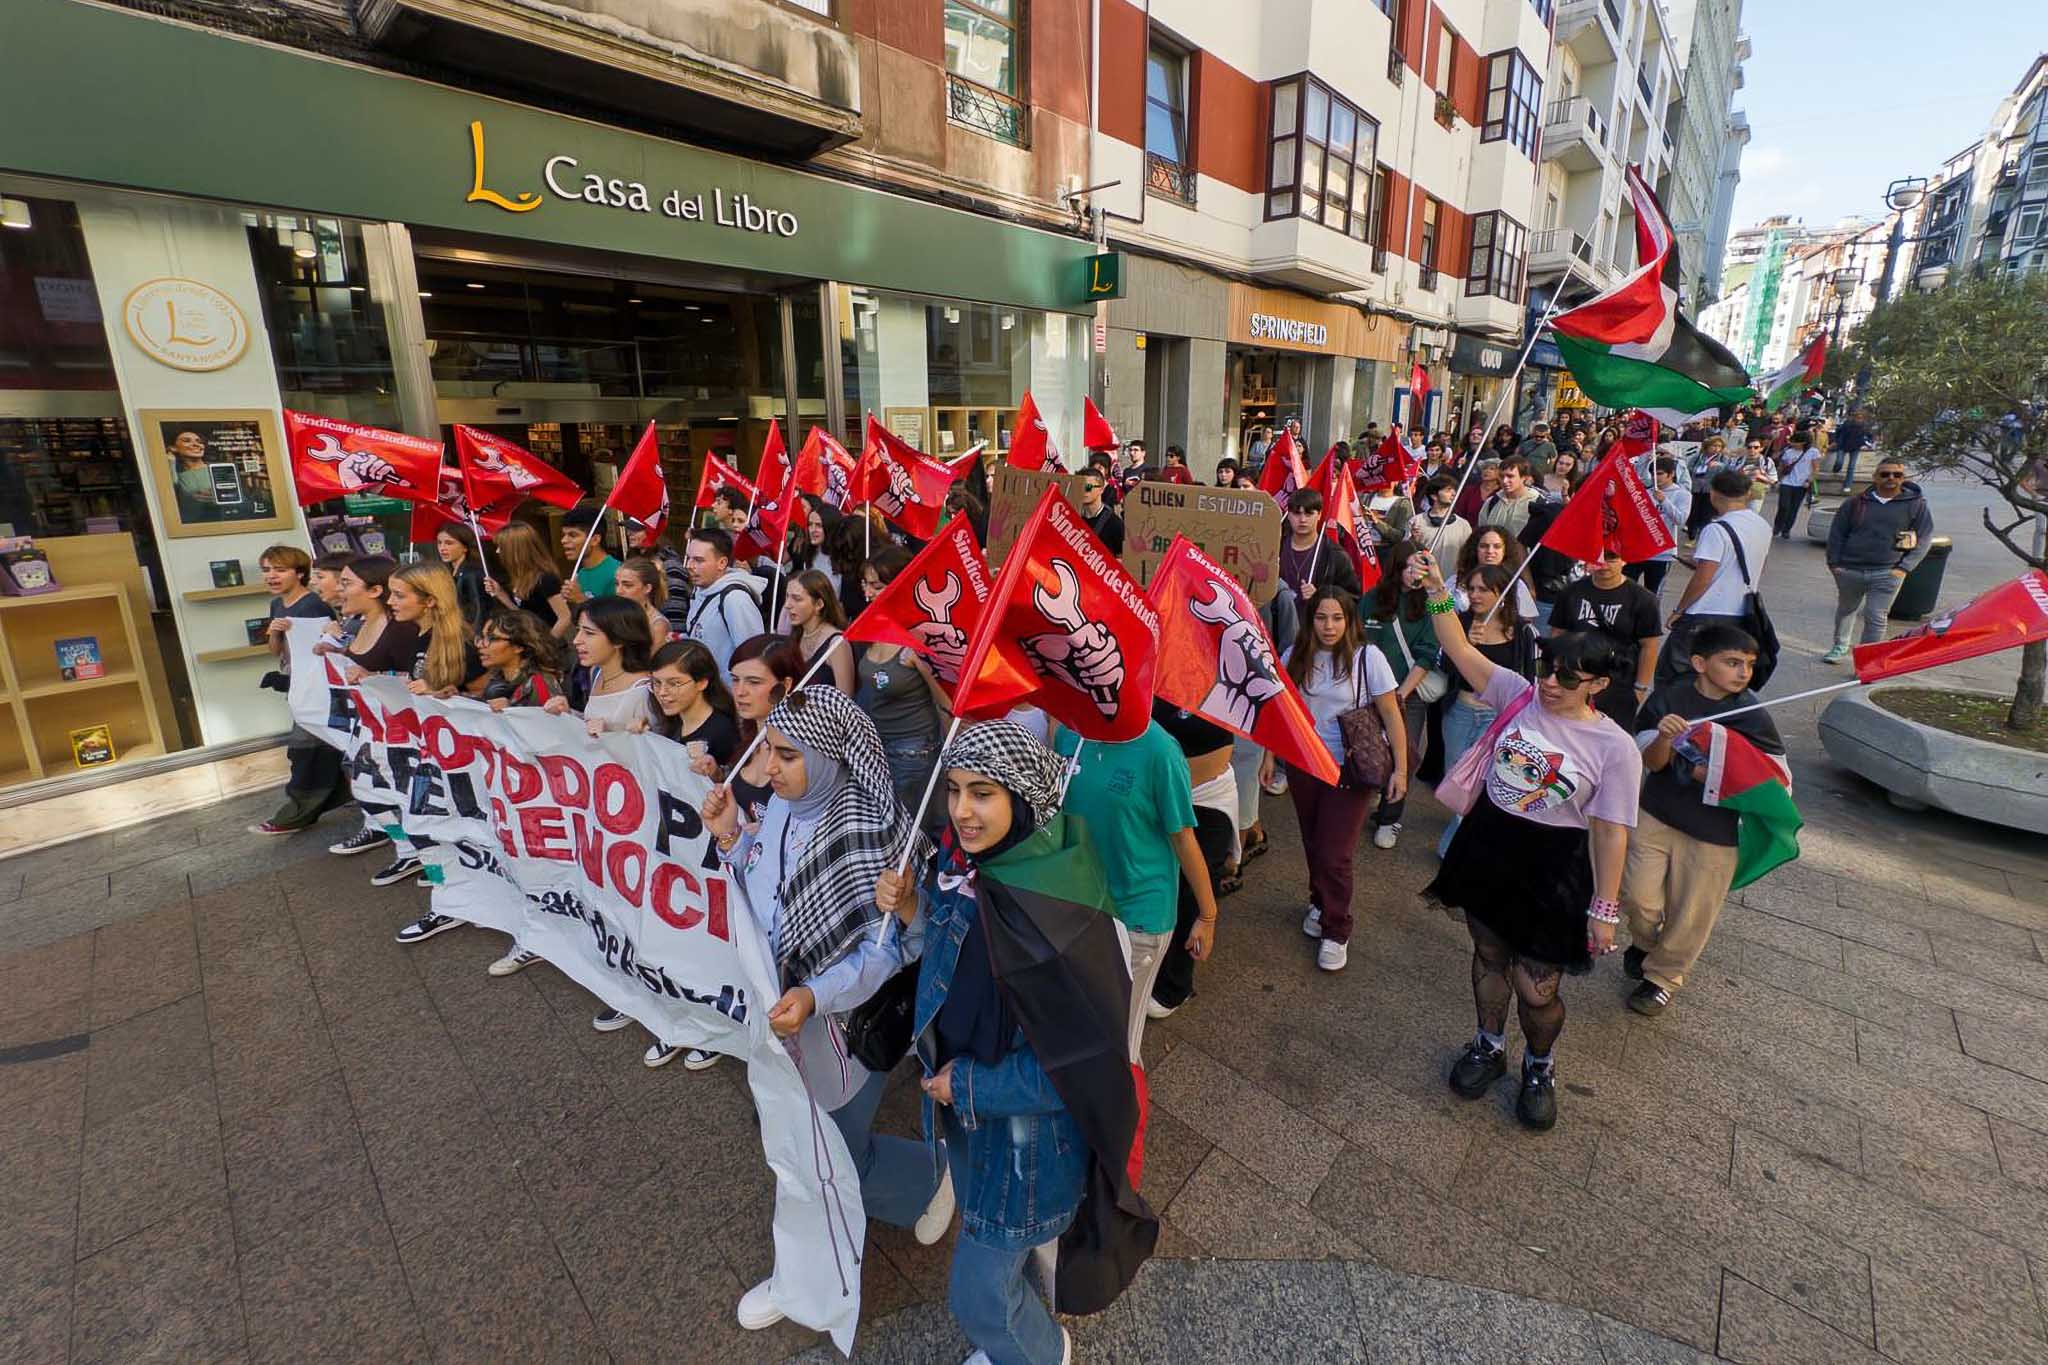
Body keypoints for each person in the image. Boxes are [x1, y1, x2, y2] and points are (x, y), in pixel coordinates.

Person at [873, 722, 1153, 1365]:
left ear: (1023, 799)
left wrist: (964, 1084)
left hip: (1027, 1148)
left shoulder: (1054, 908)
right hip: (975, 1126)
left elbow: (1076, 1068)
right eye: (954, 790)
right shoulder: (979, 867)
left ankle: (1041, 1352)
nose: (961, 810)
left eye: (983, 793)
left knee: (980, 1300)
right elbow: (957, 959)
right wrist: (914, 907)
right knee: (1005, 1265)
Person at [709, 687, 955, 1335]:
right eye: (768, 749)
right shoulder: (782, 808)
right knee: (807, 1151)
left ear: (830, 756)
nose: (769, 767)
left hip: (843, 1032)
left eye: (788, 754)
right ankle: (911, 1186)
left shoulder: (867, 828)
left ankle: (922, 1186)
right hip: (786, 1021)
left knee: (833, 1159)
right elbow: (765, 893)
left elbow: (892, 951)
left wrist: (816, 994)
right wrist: (731, 835)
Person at [1411, 550, 1641, 1132]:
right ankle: (1488, 1044)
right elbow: (1459, 649)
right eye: (1547, 670)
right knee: (1489, 956)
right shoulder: (1518, 693)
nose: (1551, 684)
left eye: (1568, 678)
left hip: (1554, 867)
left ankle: (1539, 1065)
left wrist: (1604, 909)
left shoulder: (1615, 748)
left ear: (1599, 684)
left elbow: (1611, 829)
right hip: (1490, 843)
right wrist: (1438, 591)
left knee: (1536, 988)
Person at [1624, 624, 1784, 1015]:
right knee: (1636, 897)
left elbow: (1777, 782)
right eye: (1732, 662)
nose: (1743, 672)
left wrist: (1711, 773)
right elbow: (1651, 762)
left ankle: (1663, 978)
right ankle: (1645, 943)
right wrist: (1663, 738)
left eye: (1749, 664)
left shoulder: (1753, 717)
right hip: (1656, 814)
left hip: (1714, 834)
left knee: (1691, 913)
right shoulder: (1670, 697)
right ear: (1699, 663)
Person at [1052, 711, 1219, 1058]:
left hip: (1138, 913)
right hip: (1082, 904)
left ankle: (1123, 1092)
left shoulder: (1160, 750)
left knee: (1119, 1037)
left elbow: (1183, 837)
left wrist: (1207, 915)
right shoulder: (1068, 734)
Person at [1268, 587, 1405, 972]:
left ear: (1350, 621)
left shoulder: (1368, 657)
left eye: (1337, 618)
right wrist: (1269, 756)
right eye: (1321, 617)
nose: (1329, 626)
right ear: (1310, 621)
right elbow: (1282, 709)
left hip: (1350, 767)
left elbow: (1391, 714)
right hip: (1305, 764)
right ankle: (1319, 901)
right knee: (1314, 841)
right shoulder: (1295, 655)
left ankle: (1336, 928)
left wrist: (1401, 770)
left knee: (1335, 852)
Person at [376, 563, 484, 903]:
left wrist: (449, 693)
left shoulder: (462, 642)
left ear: (430, 600)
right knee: (421, 824)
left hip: (463, 760)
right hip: (432, 753)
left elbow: (487, 697)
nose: (390, 602)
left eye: (399, 595)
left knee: (433, 825)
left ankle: (457, 896)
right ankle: (448, 891)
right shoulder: (417, 635)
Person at [320, 556, 422, 872]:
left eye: (346, 583)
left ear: (375, 590)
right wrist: (335, 651)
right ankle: (406, 848)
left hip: (405, 736)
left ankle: (434, 868)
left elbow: (419, 679)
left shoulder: (400, 630)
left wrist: (376, 676)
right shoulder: (360, 624)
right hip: (372, 731)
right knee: (369, 794)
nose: (339, 589)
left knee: (411, 801)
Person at [1434, 562, 1540, 858]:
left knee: (1485, 784)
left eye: (1483, 589)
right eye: (1471, 588)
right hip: (1461, 712)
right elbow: (1445, 665)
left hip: (1497, 718)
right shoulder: (1461, 622)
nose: (1475, 595)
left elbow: (1529, 681)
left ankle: (1459, 848)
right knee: (1457, 777)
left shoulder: (1522, 632)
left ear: (1501, 593)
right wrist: (1466, 643)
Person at [1144, 699, 1236, 1020]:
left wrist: (1208, 917)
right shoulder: (1148, 678)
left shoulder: (1223, 687)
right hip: (1149, 791)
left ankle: (1175, 984)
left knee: (1191, 891)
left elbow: (1224, 747)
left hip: (1206, 798)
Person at [250, 544, 348, 836]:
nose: (271, 576)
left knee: (305, 749)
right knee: (320, 746)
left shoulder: (313, 605)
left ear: (300, 573)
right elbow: (276, 649)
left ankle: (297, 812)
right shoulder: (277, 605)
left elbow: (328, 649)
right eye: (267, 570)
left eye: (280, 570)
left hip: (316, 687)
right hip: (297, 683)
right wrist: (276, 631)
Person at [855, 547, 951, 826]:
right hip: (875, 749)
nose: (868, 593)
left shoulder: (920, 634)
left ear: (901, 586)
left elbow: (947, 702)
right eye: (865, 584)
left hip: (913, 754)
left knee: (908, 831)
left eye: (877, 586)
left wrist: (924, 667)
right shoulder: (870, 626)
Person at [1663, 469, 1772, 687]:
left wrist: (1679, 609)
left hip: (1705, 613)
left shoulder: (1716, 528)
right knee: (1717, 678)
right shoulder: (1762, 525)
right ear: (1747, 493)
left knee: (1676, 675)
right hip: (1740, 613)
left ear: (1713, 493)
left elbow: (1703, 578)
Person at [1366, 544, 1441, 851]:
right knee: (1369, 749)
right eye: (1409, 567)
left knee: (1402, 756)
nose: (1415, 574)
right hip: (1370, 693)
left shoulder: (1431, 603)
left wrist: (1400, 694)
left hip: (1408, 695)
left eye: (1420, 567)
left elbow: (1428, 654)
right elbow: (1358, 640)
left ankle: (1390, 819)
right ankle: (1372, 797)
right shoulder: (1373, 598)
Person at [1823, 457, 1933, 663]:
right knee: (1846, 610)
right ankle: (1840, 646)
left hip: (1888, 571)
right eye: (1885, 474)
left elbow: (1925, 538)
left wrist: (1904, 568)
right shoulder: (1855, 503)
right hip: (1850, 570)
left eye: (1897, 475)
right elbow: (1837, 534)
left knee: (1876, 617)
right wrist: (1834, 564)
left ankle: (1866, 661)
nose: (1891, 478)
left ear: (1903, 478)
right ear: (1875, 477)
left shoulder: (1916, 505)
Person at [1550, 548, 1663, 729]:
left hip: (1619, 685)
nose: (1604, 565)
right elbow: (1557, 633)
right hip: (1574, 681)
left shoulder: (1643, 600)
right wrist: (1553, 673)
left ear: (1624, 560)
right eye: (1598, 558)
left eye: (1612, 558)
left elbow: (1649, 646)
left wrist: (1640, 689)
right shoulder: (1571, 592)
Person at [682, 527, 767, 681]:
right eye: (689, 558)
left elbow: (753, 657)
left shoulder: (735, 599)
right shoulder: (700, 589)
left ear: (722, 563)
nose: (689, 565)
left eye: (699, 560)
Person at [1279, 488, 1361, 618]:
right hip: (1277, 625)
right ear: (1288, 515)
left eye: (1309, 514)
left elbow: (1353, 599)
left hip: (1315, 626)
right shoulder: (1275, 548)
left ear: (1319, 515)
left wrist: (1321, 598)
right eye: (1297, 513)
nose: (1302, 519)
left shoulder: (1335, 555)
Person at [485, 520, 572, 639]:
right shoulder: (519, 576)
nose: (497, 551)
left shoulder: (545, 579)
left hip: (547, 644)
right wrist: (501, 594)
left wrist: (548, 644)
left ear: (517, 550)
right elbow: (523, 616)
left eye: (502, 547)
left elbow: (565, 617)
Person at [779, 567, 855, 694]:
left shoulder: (836, 644)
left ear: (819, 604)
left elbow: (846, 698)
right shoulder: (795, 636)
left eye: (797, 599)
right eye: (787, 597)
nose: (787, 605)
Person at [1627, 456, 1691, 599]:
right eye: (1653, 474)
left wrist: (1664, 501)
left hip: (1662, 553)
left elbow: (1680, 519)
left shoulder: (1683, 494)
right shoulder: (1645, 493)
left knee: (1652, 593)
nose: (1656, 477)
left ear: (1671, 474)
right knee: (1627, 589)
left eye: (1660, 473)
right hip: (1639, 549)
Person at [477, 608, 563, 712]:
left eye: (492, 638)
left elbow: (548, 720)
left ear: (518, 646)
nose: (480, 645)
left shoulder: (540, 683)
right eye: (482, 637)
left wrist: (512, 709)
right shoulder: (497, 680)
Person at [1454, 526, 1537, 622]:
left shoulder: (1516, 585)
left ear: (1505, 551)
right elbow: (1442, 609)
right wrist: (1440, 592)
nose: (1490, 551)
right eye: (1484, 546)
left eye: (1497, 546)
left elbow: (1527, 620)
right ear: (1475, 549)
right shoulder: (1456, 580)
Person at [1409, 473, 1473, 568]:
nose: (1453, 494)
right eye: (1448, 490)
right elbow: (1406, 553)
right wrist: (1413, 541)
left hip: (1452, 576)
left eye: (1454, 490)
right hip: (1424, 574)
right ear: (1434, 496)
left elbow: (1469, 555)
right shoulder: (1416, 521)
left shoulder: (1463, 525)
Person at [559, 505, 619, 605]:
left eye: (572, 535)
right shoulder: (579, 574)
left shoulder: (617, 573)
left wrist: (581, 599)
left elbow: (623, 614)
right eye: (563, 535)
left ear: (595, 540)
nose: (563, 540)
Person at [434, 522, 489, 629]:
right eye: (439, 543)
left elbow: (480, 611)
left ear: (465, 547)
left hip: (469, 632)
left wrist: (475, 634)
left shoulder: (472, 574)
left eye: (449, 543)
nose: (442, 548)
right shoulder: (448, 572)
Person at [1476, 457, 1542, 540]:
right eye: (1501, 476)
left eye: (1510, 476)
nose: (1504, 481)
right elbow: (1481, 533)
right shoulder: (1492, 502)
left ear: (1524, 477)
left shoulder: (1538, 504)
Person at [1771, 428, 1821, 539]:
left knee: (1794, 508)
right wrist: (1777, 480)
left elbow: (1816, 468)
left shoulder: (1813, 452)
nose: (1792, 443)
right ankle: (1777, 527)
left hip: (1802, 484)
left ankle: (1786, 529)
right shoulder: (1788, 451)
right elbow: (1781, 467)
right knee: (1783, 506)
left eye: (1795, 442)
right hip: (1787, 482)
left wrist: (1809, 480)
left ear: (1803, 442)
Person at [614, 555, 673, 647]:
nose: (619, 591)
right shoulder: (617, 617)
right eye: (617, 584)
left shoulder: (658, 626)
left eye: (628, 585)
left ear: (647, 588)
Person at [1077, 466, 1125, 554]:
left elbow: (1123, 556)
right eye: (1080, 486)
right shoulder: (1073, 519)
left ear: (1101, 489)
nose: (1084, 490)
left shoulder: (1114, 523)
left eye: (1088, 487)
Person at [1830, 409, 1874, 490]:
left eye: (1860, 418)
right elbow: (1838, 432)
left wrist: (1868, 443)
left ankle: (1847, 485)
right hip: (1843, 446)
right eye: (1857, 417)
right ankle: (1836, 469)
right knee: (1839, 462)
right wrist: (1836, 441)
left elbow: (1870, 436)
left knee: (1851, 466)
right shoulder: (1847, 424)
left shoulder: (1864, 427)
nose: (1859, 419)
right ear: (1854, 417)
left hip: (1855, 447)